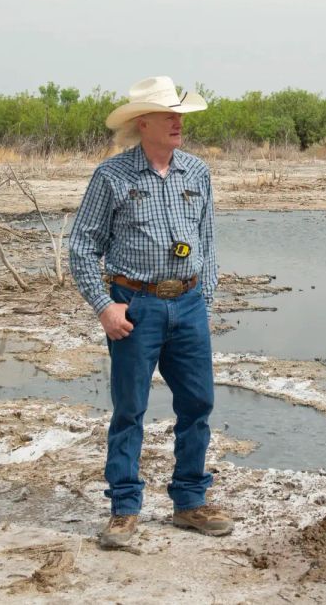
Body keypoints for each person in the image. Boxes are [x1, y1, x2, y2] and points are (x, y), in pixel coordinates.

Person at [68, 76, 231, 549]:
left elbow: (207, 241)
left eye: (180, 115)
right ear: (143, 123)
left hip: (189, 303)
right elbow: (82, 247)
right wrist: (105, 306)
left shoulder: (196, 172)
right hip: (135, 307)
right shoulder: (112, 176)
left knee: (198, 404)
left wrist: (205, 298)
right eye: (168, 115)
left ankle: (190, 501)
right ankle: (124, 509)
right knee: (130, 409)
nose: (178, 122)